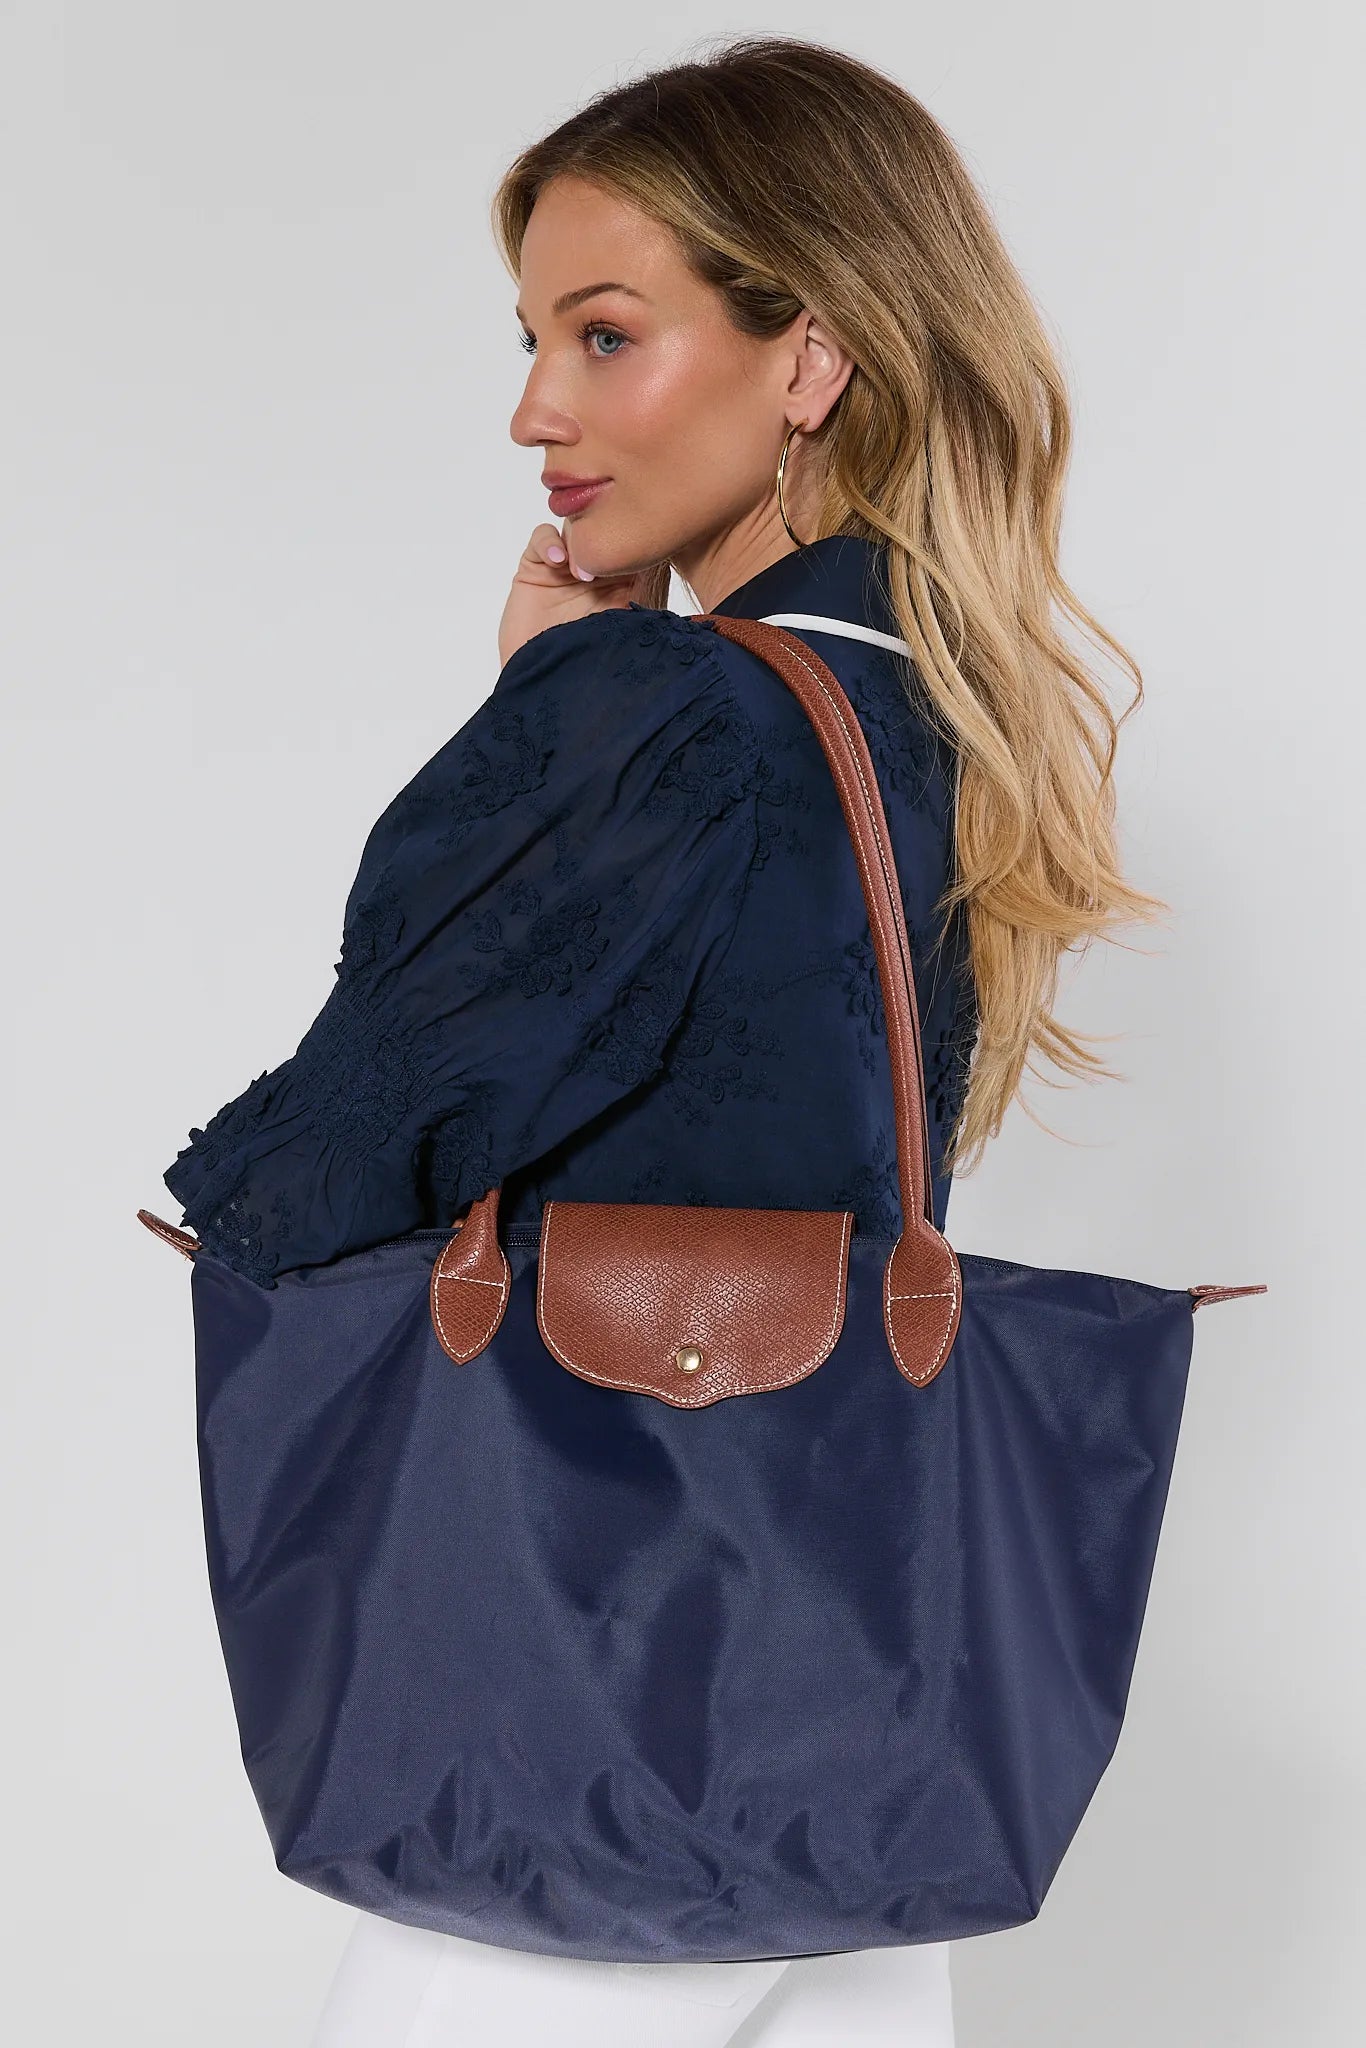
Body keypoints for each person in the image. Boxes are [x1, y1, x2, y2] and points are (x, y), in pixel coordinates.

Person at [162, 34, 1164, 2047]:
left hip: (578, 1738)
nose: (534, 408)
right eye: (534, 338)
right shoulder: (917, 716)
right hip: (853, 1758)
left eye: (605, 335)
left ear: (810, 360)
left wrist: (543, 723)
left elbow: (309, 1178)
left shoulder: (666, 713)